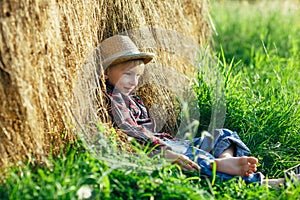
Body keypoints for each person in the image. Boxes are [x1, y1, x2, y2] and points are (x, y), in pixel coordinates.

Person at [98, 34, 264, 183]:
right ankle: (250, 178)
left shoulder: (131, 98)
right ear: (105, 73)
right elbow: (130, 130)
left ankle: (224, 160)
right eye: (128, 74)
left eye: (138, 76)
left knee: (222, 135)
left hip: (165, 141)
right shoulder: (114, 98)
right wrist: (162, 151)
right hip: (152, 148)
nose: (134, 82)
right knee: (191, 162)